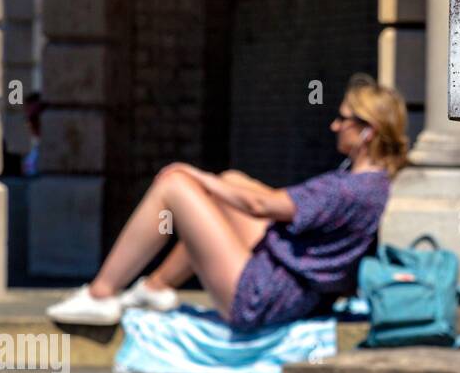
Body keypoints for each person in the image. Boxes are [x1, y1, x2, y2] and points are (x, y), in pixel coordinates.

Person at [46, 74, 407, 329]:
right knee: (231, 184)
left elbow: (262, 207)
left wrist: (196, 176)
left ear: (367, 131)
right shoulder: (372, 184)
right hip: (291, 288)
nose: (334, 126)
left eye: (343, 119)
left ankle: (100, 294)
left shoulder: (348, 189)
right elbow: (271, 204)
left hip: (261, 297)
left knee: (174, 183)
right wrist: (221, 188)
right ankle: (156, 288)